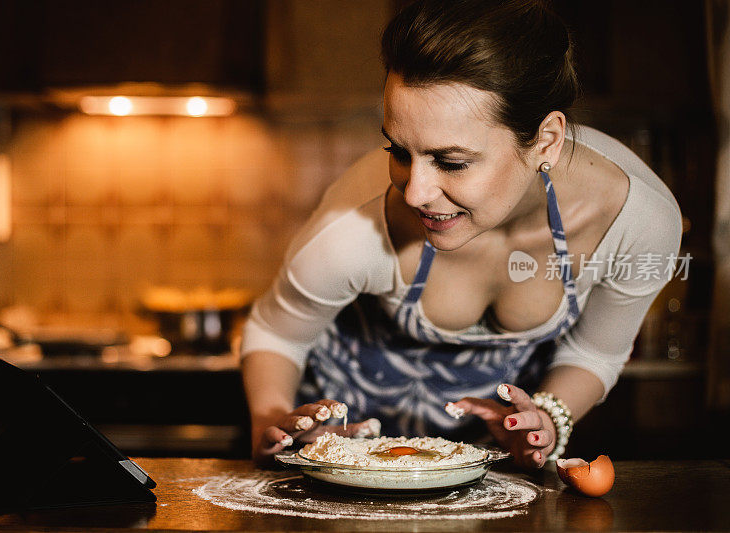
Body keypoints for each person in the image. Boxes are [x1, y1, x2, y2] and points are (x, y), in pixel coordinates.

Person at [240, 0, 682, 469]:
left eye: (452, 162)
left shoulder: (636, 222)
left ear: (547, 140)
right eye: (399, 151)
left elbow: (595, 351)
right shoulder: (355, 229)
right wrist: (272, 424)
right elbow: (277, 333)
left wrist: (549, 418)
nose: (414, 193)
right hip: (339, 458)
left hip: (491, 471)